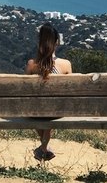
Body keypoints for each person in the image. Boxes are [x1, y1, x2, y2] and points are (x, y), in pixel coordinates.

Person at [25, 22, 72, 162]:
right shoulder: (66, 64)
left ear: (40, 43)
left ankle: (44, 147)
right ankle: (44, 148)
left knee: (38, 109)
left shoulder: (31, 65)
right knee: (51, 108)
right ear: (57, 43)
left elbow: (25, 91)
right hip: (56, 112)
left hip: (35, 112)